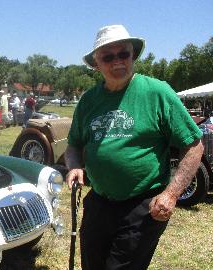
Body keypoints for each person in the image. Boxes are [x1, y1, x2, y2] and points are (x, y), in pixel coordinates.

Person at [65, 24, 204, 270]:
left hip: (141, 206)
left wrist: (171, 194)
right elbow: (74, 144)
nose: (117, 61)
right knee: (91, 264)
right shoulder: (88, 101)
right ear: (96, 63)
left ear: (133, 56)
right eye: (108, 56)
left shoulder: (157, 92)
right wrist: (75, 166)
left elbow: (194, 145)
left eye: (124, 54)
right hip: (99, 202)